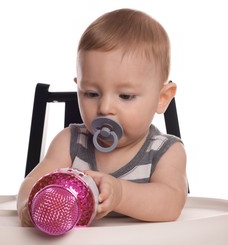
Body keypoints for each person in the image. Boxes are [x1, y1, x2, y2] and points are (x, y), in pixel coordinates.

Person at [17, 8, 188, 227]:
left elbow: (171, 204)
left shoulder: (165, 152)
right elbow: (31, 184)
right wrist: (28, 207)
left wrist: (120, 194)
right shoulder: (70, 143)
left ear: (162, 98)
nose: (105, 108)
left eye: (125, 96)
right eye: (91, 94)